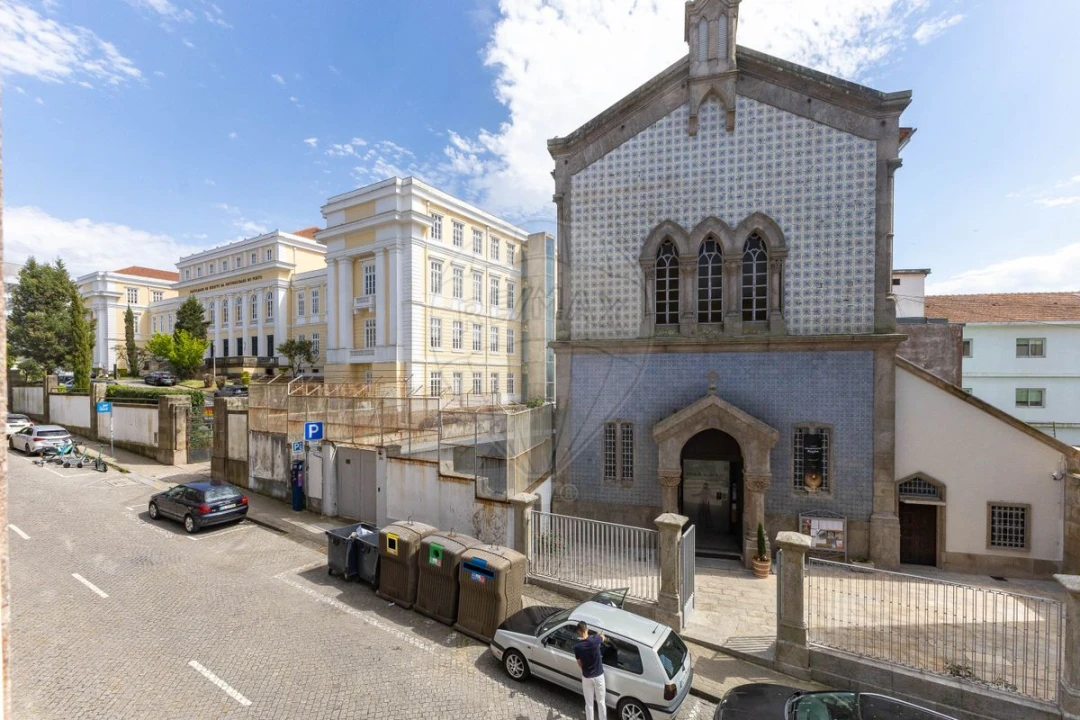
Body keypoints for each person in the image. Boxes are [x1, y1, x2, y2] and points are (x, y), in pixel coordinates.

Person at [573, 621, 606, 720]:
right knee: (601, 702)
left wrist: (585, 668)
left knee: (589, 703)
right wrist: (599, 635)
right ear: (587, 630)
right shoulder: (595, 641)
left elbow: (579, 663)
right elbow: (602, 637)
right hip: (599, 676)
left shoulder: (577, 647)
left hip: (587, 677)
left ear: (579, 632)